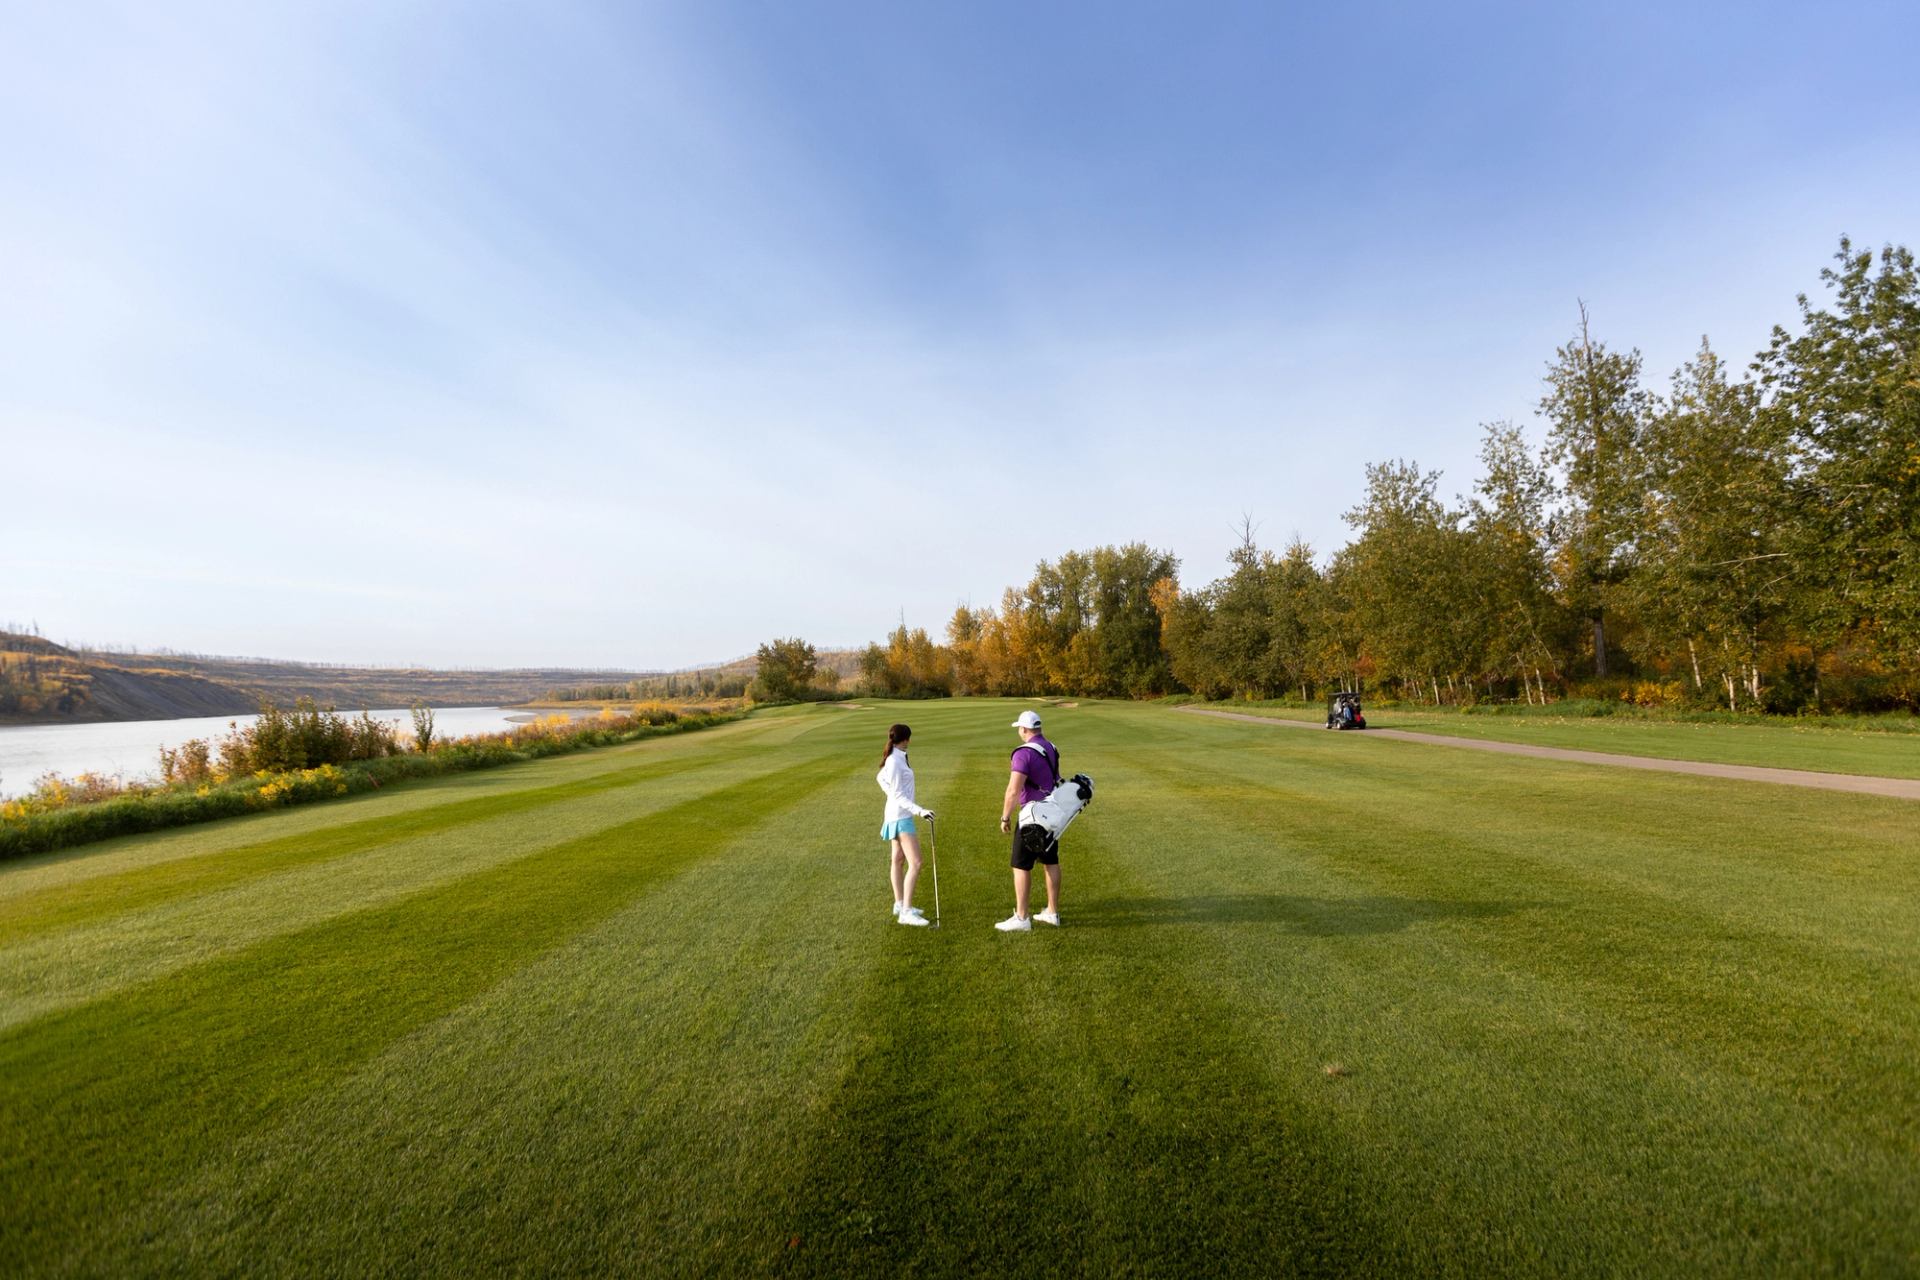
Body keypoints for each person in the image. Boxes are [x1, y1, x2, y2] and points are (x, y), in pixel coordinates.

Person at [996, 709, 1061, 932]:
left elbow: (1013, 790)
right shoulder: (1051, 748)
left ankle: (1022, 918)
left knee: (1021, 865)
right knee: (1050, 861)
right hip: (1052, 813)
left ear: (1024, 729)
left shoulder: (1023, 753)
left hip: (1031, 816)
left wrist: (1005, 816)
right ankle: (1052, 912)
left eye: (1020, 729)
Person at [876, 722, 933, 926]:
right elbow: (898, 794)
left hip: (897, 814)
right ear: (906, 739)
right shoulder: (894, 761)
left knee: (898, 860)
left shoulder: (897, 757)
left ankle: (900, 904)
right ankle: (906, 912)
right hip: (900, 816)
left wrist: (891, 795)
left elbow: (880, 778)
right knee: (916, 862)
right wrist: (920, 811)